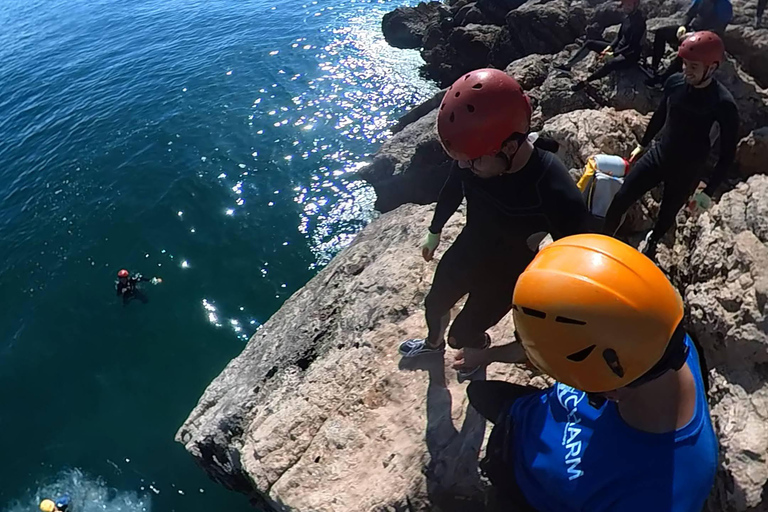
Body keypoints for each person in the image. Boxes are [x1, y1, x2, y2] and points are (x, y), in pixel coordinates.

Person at [461, 234, 717, 511]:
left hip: (524, 491)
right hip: (525, 412)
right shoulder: (660, 334)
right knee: (478, 393)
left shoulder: (656, 495)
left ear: (611, 392)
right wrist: (485, 356)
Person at [398, 68, 590, 380]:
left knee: (460, 336)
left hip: (506, 273)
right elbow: (452, 188)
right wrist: (434, 230)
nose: (464, 166)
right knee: (434, 304)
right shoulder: (477, 153)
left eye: (472, 161)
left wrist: (538, 310)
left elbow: (575, 257)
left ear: (510, 147)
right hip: (471, 246)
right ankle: (432, 346)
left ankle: (476, 349)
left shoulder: (552, 187)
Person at [602, 31, 739, 258]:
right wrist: (643, 144)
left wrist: (708, 191)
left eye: (693, 66)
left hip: (687, 170)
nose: (686, 70)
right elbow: (660, 115)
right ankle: (604, 242)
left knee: (666, 217)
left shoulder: (723, 104)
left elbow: (727, 154)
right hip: (659, 155)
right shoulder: (675, 82)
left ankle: (652, 243)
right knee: (621, 198)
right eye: (684, 63)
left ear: (712, 68)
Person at [555, 0, 646, 91]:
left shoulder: (639, 22)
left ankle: (584, 83)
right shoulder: (627, 17)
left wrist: (613, 54)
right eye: (625, 4)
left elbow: (632, 46)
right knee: (590, 43)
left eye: (629, 5)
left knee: (610, 63)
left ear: (636, 5)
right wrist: (609, 47)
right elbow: (619, 37)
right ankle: (567, 66)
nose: (626, 7)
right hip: (619, 49)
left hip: (629, 55)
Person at [646, 0, 732, 85]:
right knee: (661, 32)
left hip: (705, 40)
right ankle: (654, 66)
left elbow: (718, 31)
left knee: (687, 52)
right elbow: (690, 13)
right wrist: (683, 26)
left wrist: (694, 35)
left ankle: (662, 80)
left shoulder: (724, 5)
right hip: (690, 30)